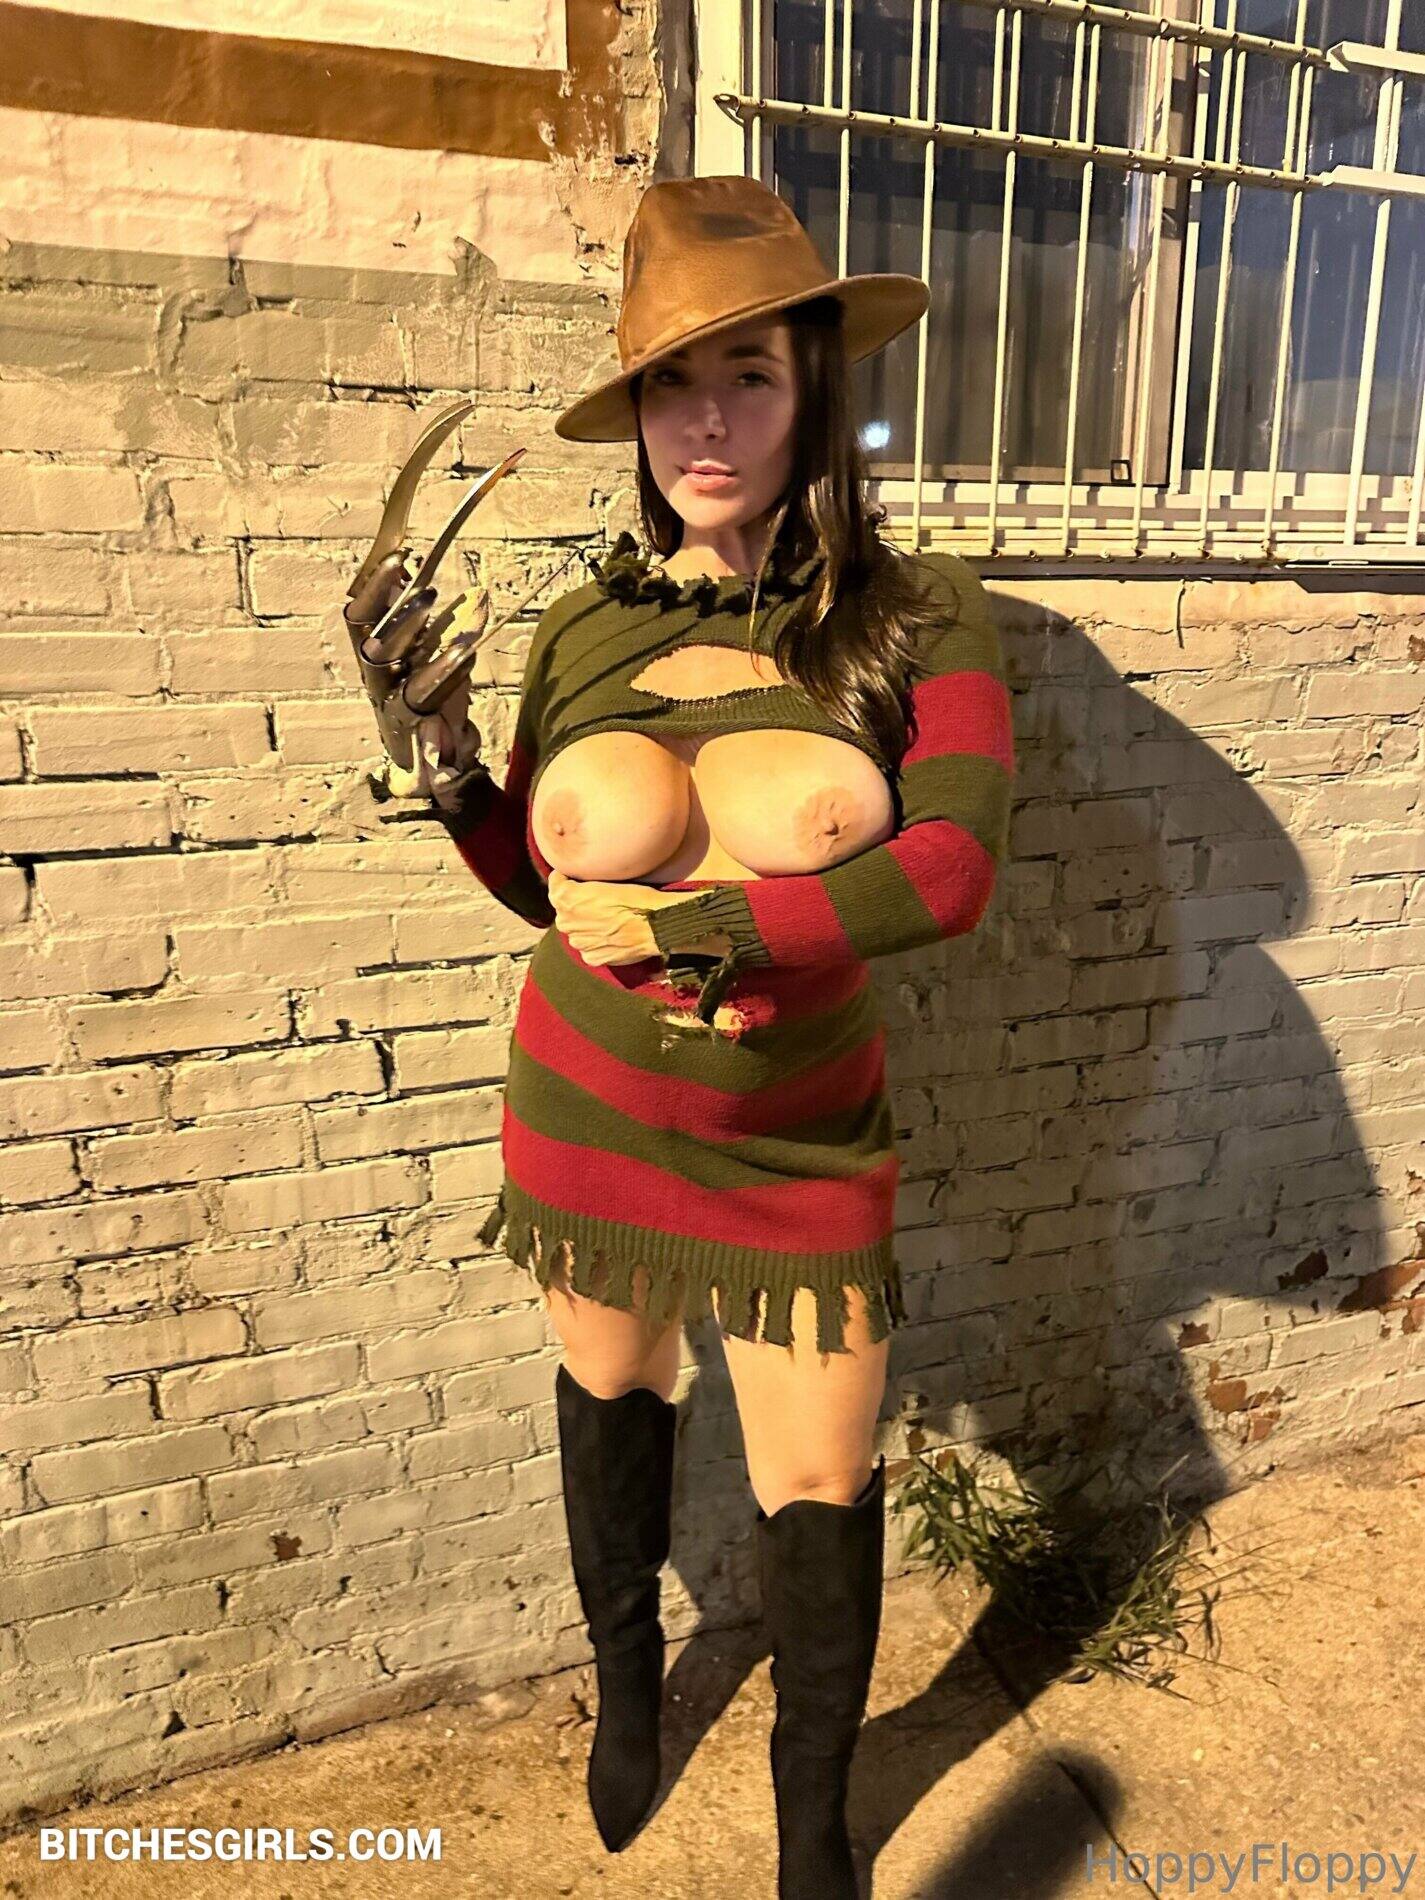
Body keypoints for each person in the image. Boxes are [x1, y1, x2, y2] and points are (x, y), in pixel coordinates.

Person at [345, 175, 1015, 1899]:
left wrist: (706, 930)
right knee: (611, 1389)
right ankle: (628, 1692)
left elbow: (948, 870)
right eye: (669, 384)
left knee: (820, 1473)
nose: (704, 423)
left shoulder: (913, 613)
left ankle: (811, 1826)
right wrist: (448, 767)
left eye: (748, 378)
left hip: (797, 1136)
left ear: (815, 392)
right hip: (586, 1111)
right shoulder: (585, 626)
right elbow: (542, 887)